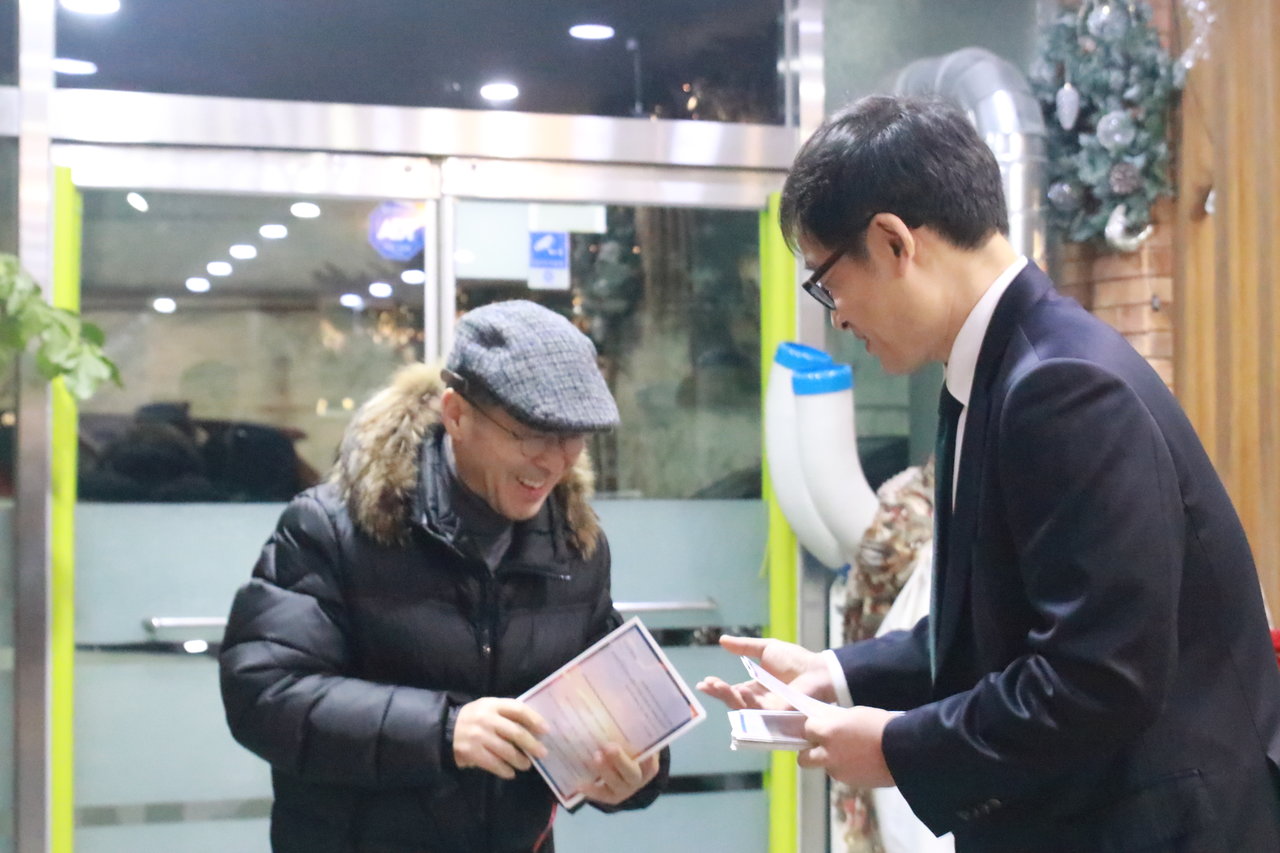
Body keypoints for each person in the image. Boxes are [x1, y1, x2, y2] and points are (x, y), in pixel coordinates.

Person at [698, 95, 1280, 852]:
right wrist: (836, 673)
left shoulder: (1060, 386)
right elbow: (999, 625)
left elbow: (1097, 677)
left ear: (894, 241)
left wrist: (895, 747)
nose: (835, 316)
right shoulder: (1002, 368)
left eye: (826, 281)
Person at [220, 299, 667, 853]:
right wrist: (445, 731)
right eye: (532, 434)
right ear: (456, 414)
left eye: (574, 437)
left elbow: (603, 703)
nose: (555, 461)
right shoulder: (333, 527)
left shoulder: (573, 546)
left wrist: (633, 773)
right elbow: (264, 694)